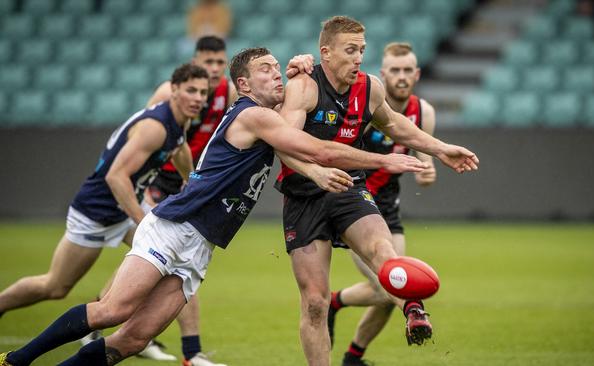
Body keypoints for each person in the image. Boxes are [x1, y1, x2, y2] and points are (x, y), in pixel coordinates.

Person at [0, 47, 427, 366]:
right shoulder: (252, 115)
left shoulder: (272, 115)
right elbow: (320, 149)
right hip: (173, 227)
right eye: (266, 70)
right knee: (113, 311)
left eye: (279, 68)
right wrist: (384, 159)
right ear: (243, 85)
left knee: (130, 341)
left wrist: (303, 67)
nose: (277, 75)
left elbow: (304, 107)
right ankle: (17, 360)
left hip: (200, 245)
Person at [273, 16, 479, 366]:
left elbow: (397, 125)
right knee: (315, 302)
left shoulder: (370, 88)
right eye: (350, 50)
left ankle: (413, 308)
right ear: (325, 52)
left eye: (362, 51)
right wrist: (317, 171)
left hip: (349, 188)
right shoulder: (304, 87)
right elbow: (286, 143)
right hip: (304, 195)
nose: (358, 58)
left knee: (382, 247)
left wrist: (441, 149)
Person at [0, 63, 206, 362]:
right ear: (173, 90)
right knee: (56, 286)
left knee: (173, 265)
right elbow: (115, 177)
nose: (198, 97)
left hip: (125, 207)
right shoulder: (155, 126)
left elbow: (180, 147)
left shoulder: (179, 120)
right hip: (96, 210)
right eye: (191, 90)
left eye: (202, 92)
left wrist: (192, 179)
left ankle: (185, 349)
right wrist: (144, 220)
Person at [80, 36, 237, 366]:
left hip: (186, 184)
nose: (213, 69)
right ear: (195, 61)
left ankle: (120, 332)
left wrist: (193, 178)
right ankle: (184, 350)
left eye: (219, 62)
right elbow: (149, 131)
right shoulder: (170, 93)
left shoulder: (228, 93)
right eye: (207, 61)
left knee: (167, 266)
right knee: (162, 264)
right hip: (158, 183)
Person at [327, 42, 438, 366]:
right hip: (356, 205)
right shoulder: (366, 104)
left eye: (408, 70)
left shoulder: (423, 112)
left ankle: (350, 346)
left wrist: (427, 173)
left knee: (387, 290)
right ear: (383, 74)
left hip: (388, 208)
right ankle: (415, 310)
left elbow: (421, 159)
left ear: (416, 74)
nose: (402, 77)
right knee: (393, 281)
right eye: (395, 70)